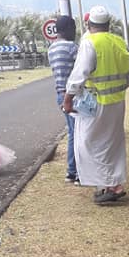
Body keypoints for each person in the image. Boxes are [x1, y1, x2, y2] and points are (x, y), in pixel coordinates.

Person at [63, 5, 129, 205]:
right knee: (112, 143)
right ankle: (110, 184)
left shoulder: (90, 43)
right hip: (117, 101)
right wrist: (123, 85)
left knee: (89, 143)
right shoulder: (118, 41)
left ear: (88, 24)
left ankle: (111, 185)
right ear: (108, 24)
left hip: (95, 103)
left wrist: (68, 97)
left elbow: (80, 72)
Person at [47, 15, 80, 184]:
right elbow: (81, 70)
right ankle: (74, 172)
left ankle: (72, 171)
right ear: (68, 29)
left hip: (59, 94)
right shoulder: (72, 47)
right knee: (77, 133)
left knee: (72, 131)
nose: (75, 32)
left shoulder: (51, 49)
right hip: (72, 96)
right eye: (74, 29)